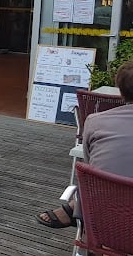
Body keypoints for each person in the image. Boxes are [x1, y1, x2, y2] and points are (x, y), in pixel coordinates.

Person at [36, 61, 133, 228]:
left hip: (101, 221)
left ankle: (75, 209)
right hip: (116, 217)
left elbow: (90, 162)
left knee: (97, 176)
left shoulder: (95, 121)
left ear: (121, 92)